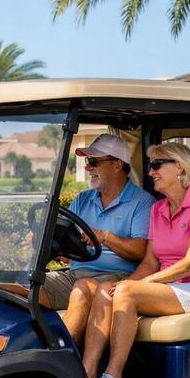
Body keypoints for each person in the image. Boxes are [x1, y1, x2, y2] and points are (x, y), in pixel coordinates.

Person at [83, 143, 190, 378]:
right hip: (171, 288)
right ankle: (87, 376)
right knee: (106, 290)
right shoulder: (158, 210)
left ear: (180, 168)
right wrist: (127, 283)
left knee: (127, 292)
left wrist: (143, 284)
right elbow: (150, 263)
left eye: (157, 165)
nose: (150, 172)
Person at [37, 133, 155, 344]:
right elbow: (67, 240)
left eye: (93, 162)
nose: (87, 167)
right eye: (87, 161)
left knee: (82, 290)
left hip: (116, 277)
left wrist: (104, 237)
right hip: (75, 274)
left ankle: (60, 357)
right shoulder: (83, 199)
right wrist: (45, 238)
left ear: (117, 164)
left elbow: (140, 251)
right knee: (21, 287)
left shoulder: (142, 202)